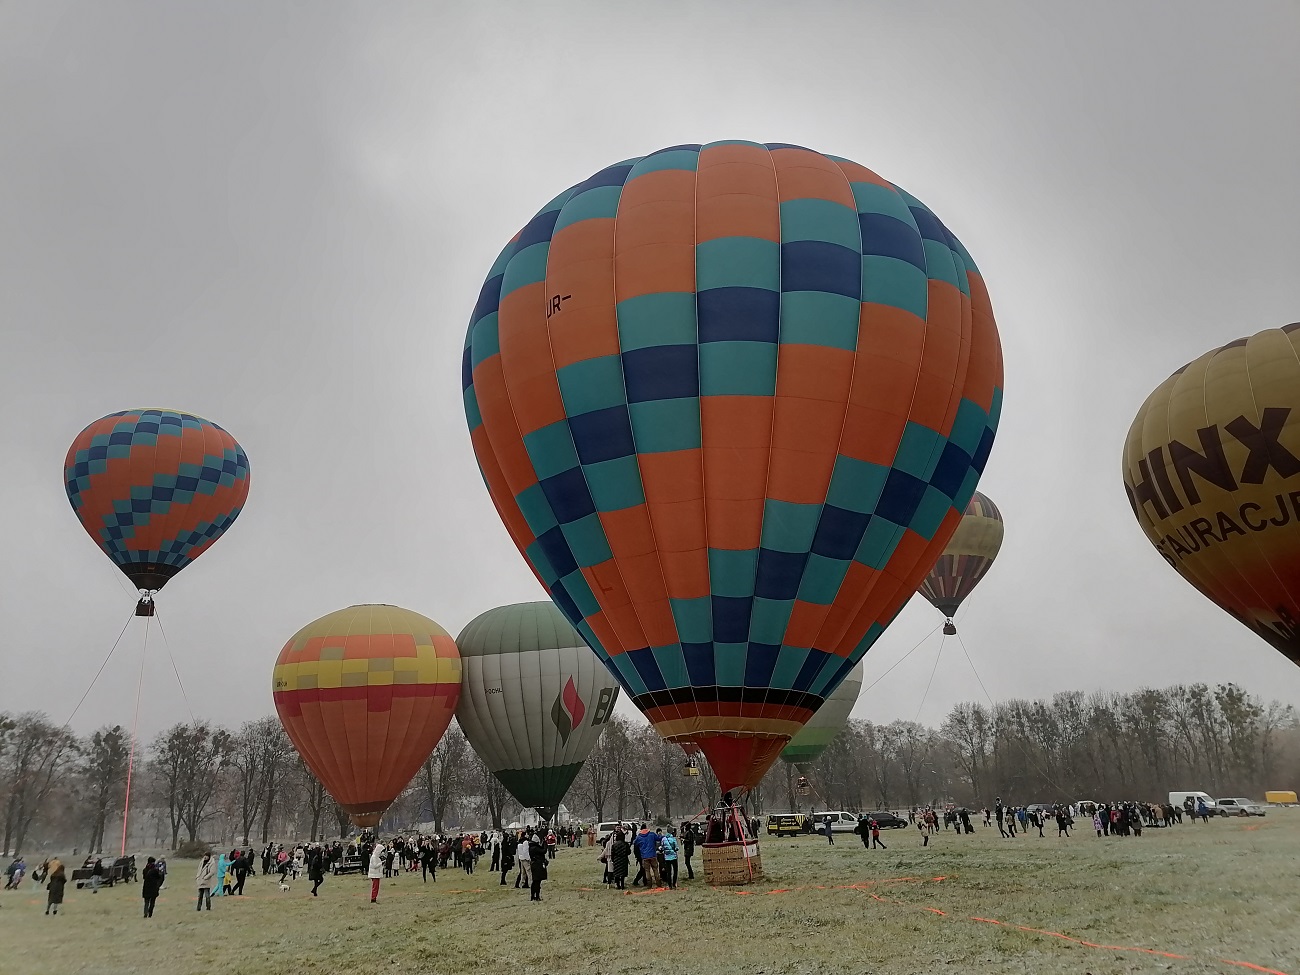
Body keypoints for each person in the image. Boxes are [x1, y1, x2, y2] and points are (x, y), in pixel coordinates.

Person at [528, 831, 547, 901]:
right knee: (537, 882)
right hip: (537, 865)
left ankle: (533, 896)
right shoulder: (535, 848)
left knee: (535, 881)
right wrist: (545, 843)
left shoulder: (532, 847)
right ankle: (537, 896)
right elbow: (543, 851)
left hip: (534, 864)